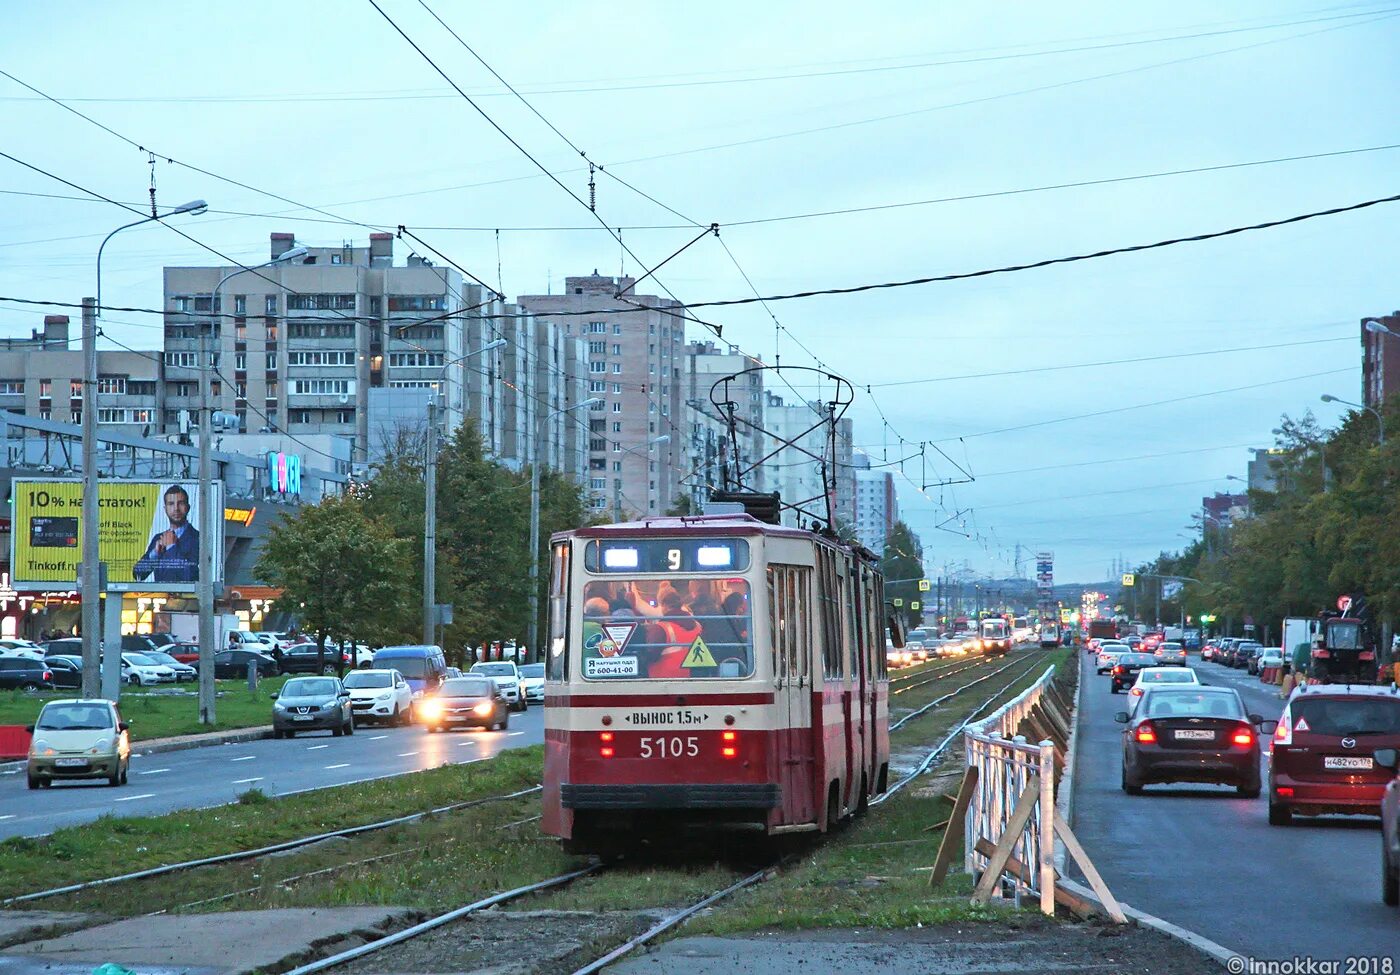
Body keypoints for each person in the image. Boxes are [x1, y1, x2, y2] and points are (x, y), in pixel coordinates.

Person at [132, 484, 199, 583]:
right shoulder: (158, 538)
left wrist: (172, 547)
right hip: (159, 597)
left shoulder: (198, 538)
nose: (176, 508)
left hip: (188, 598)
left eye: (180, 503)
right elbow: (138, 574)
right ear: (165, 509)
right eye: (171, 504)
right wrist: (154, 554)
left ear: (188, 507)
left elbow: (188, 576)